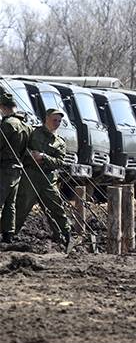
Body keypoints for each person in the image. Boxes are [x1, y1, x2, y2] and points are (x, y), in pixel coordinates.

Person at [15, 108, 72, 251]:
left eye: (59, 121)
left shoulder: (60, 142)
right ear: (46, 118)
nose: (57, 123)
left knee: (56, 207)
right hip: (30, 175)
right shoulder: (33, 133)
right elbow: (21, 149)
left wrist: (43, 157)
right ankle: (9, 234)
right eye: (54, 120)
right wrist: (31, 156)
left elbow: (59, 162)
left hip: (48, 178)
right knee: (22, 206)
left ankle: (65, 236)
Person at [0, 93, 32, 243]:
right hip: (17, 168)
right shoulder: (25, 125)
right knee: (10, 204)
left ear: (2, 107)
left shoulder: (7, 124)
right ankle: (8, 234)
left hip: (5, 168)